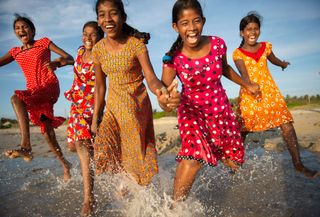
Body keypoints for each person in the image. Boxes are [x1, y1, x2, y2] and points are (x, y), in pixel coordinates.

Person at [161, 0, 260, 201]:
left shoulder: (217, 44)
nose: (191, 28)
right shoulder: (172, 57)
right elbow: (164, 91)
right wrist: (166, 101)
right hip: (192, 113)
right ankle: (173, 209)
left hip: (220, 112)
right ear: (176, 26)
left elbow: (224, 69)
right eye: (185, 23)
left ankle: (183, 186)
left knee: (233, 162)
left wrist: (246, 84)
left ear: (203, 21)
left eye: (196, 21)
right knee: (195, 157)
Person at [91, 0, 179, 188]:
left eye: (113, 13)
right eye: (102, 14)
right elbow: (99, 87)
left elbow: (150, 77)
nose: (108, 19)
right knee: (102, 150)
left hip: (135, 105)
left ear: (123, 17)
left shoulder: (135, 44)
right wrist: (95, 118)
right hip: (113, 109)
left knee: (135, 160)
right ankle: (124, 184)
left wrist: (160, 91)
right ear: (98, 20)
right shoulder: (97, 49)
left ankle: (141, 192)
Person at [232, 12, 319, 179]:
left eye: (256, 29)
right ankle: (236, 165)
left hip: (271, 92)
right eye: (248, 29)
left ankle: (298, 165)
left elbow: (274, 59)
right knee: (243, 130)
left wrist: (283, 64)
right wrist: (250, 86)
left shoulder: (266, 46)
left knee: (286, 124)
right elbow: (243, 74)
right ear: (242, 32)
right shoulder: (238, 53)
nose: (252, 32)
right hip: (250, 92)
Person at [0, 14, 73, 181]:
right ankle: (65, 164)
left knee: (15, 98)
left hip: (48, 86)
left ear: (32, 31)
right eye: (17, 28)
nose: (21, 30)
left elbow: (70, 58)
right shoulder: (15, 52)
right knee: (47, 132)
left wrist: (57, 63)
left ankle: (25, 146)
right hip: (33, 91)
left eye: (24, 27)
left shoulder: (43, 43)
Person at [64, 21, 104, 216]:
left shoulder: (100, 55)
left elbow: (100, 88)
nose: (88, 37)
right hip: (76, 106)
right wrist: (59, 62)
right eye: (85, 34)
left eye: (93, 34)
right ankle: (99, 176)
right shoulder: (80, 51)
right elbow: (74, 62)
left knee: (83, 149)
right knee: (76, 147)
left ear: (100, 37)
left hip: (91, 107)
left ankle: (88, 199)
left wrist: (96, 118)